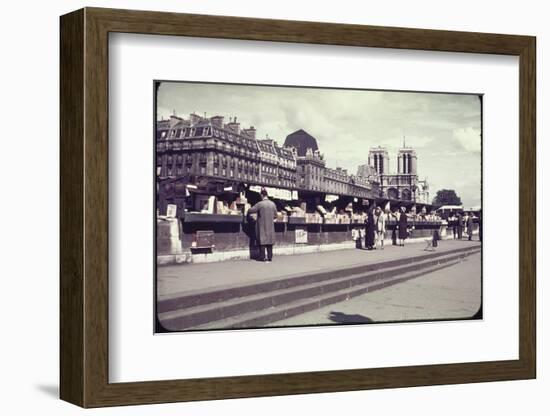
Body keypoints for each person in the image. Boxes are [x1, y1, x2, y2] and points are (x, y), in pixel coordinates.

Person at [247, 189, 278, 262]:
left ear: (262, 195)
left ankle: (262, 257)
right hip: (270, 226)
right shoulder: (273, 204)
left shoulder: (260, 204)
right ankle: (270, 257)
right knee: (269, 242)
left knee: (262, 241)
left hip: (262, 226)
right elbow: (275, 215)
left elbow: (251, 210)